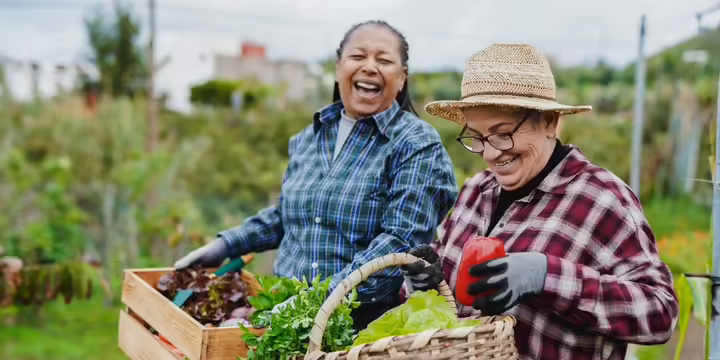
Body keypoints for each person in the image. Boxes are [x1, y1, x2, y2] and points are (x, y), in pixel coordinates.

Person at [174, 20, 458, 331]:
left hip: (356, 327)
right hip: (280, 315)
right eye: (358, 56)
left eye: (384, 60)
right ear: (338, 68)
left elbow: (399, 242)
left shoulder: (416, 143)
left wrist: (316, 301)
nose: (369, 67)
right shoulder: (308, 138)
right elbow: (288, 215)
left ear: (401, 78)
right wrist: (228, 244)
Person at [402, 43, 678, 360]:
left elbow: (660, 314)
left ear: (548, 121)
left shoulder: (599, 198)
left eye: (503, 133)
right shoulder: (475, 192)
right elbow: (452, 305)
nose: (490, 154)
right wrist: (425, 288)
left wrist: (547, 276)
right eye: (476, 137)